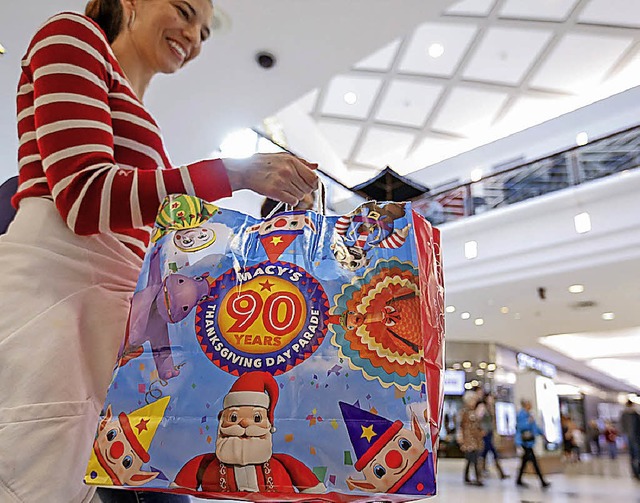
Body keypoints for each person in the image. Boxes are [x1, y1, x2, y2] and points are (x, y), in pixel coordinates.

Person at [0, 1, 319, 502]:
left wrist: (266, 220)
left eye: (205, 32)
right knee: (41, 476)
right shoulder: (71, 35)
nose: (193, 35)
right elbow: (83, 197)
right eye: (185, 11)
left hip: (121, 313)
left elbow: (162, 241)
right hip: (60, 290)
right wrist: (233, 173)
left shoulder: (141, 115)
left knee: (143, 482)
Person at [515, 399, 550, 489]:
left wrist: (541, 433)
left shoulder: (529, 415)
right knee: (533, 461)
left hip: (529, 442)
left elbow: (534, 427)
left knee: (525, 461)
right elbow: (520, 427)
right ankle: (542, 481)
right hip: (525, 442)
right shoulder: (522, 415)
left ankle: (518, 480)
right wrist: (528, 422)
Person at [478, 394, 509, 479]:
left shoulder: (491, 408)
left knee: (485, 452)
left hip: (490, 432)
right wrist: (481, 429)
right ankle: (500, 472)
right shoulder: (482, 407)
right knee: (491, 451)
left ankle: (481, 471)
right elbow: (478, 419)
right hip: (485, 434)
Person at [458, 391, 484, 486]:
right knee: (472, 459)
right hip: (468, 440)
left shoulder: (475, 412)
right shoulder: (464, 412)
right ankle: (476, 477)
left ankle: (471, 477)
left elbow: (477, 425)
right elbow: (461, 426)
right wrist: (462, 438)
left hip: (476, 439)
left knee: (473, 459)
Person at [620, 400, 640, 479]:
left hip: (633, 439)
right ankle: (636, 472)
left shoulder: (635, 415)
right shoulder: (631, 415)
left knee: (635, 456)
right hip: (633, 439)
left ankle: (636, 472)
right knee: (635, 456)